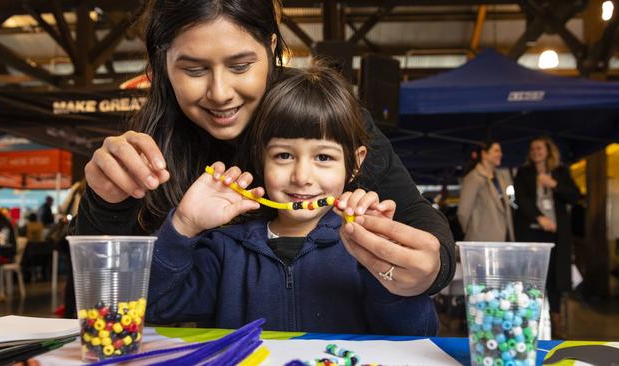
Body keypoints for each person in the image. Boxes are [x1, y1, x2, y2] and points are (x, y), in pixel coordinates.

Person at [71, 0, 454, 311]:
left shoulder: (320, 119)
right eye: (193, 69)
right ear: (162, 64)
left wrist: (431, 270)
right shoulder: (149, 148)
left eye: (240, 66)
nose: (220, 92)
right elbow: (100, 297)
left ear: (271, 48)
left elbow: (416, 216)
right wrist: (104, 203)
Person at [146, 64, 439, 335]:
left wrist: (384, 264)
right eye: (283, 155)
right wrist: (184, 224)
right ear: (262, 159)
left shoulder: (366, 247)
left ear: (355, 163)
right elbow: (156, 307)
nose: (301, 176)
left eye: (323, 157)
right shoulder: (225, 249)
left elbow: (417, 336)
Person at [514, 136, 580, 337]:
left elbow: (575, 196)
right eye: (532, 148)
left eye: (539, 148)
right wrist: (539, 218)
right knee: (531, 277)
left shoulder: (560, 172)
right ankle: (527, 322)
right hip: (532, 233)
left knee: (555, 278)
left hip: (557, 235)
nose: (536, 151)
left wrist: (554, 184)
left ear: (548, 151)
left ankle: (557, 323)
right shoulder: (524, 173)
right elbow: (521, 199)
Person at [457, 141, 515, 242]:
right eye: (496, 151)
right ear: (484, 153)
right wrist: (473, 230)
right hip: (482, 239)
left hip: (504, 236)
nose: (500, 154)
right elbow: (463, 211)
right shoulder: (474, 177)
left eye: (500, 151)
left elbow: (510, 201)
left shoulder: (501, 177)